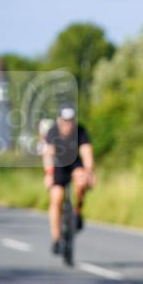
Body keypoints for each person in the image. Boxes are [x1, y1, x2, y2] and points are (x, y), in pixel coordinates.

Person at [43, 106, 95, 253]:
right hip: (58, 166)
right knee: (56, 198)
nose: (68, 124)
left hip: (74, 164)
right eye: (65, 121)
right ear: (60, 120)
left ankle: (77, 211)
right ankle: (56, 238)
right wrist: (48, 174)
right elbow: (48, 154)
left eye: (71, 121)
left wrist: (89, 172)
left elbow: (87, 152)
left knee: (81, 181)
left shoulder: (80, 131)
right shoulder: (53, 131)